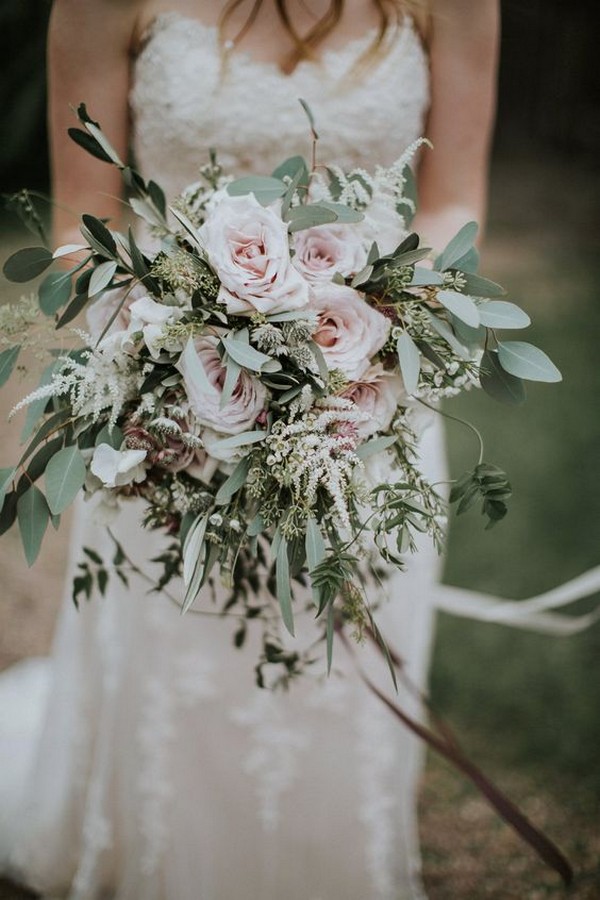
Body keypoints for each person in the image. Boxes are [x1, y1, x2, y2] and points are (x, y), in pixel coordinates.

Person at [0, 1, 501, 898]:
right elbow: (83, 221)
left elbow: (456, 194)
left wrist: (378, 346)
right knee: (177, 639)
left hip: (369, 396)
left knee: (338, 651)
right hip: (170, 397)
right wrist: (153, 359)